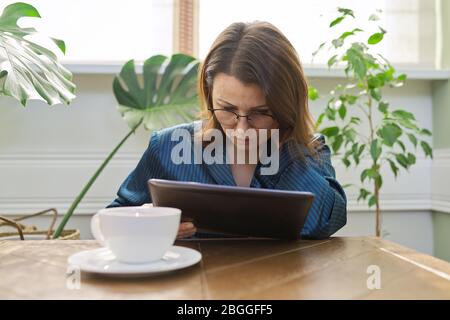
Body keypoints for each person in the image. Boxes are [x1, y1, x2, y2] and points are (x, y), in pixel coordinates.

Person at [106, 21, 347, 240]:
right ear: (210, 96)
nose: (241, 129)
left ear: (286, 107)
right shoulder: (169, 146)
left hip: (279, 285)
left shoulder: (308, 151)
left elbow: (327, 221)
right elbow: (112, 219)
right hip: (192, 285)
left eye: (260, 112)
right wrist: (147, 220)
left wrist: (285, 142)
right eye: (227, 109)